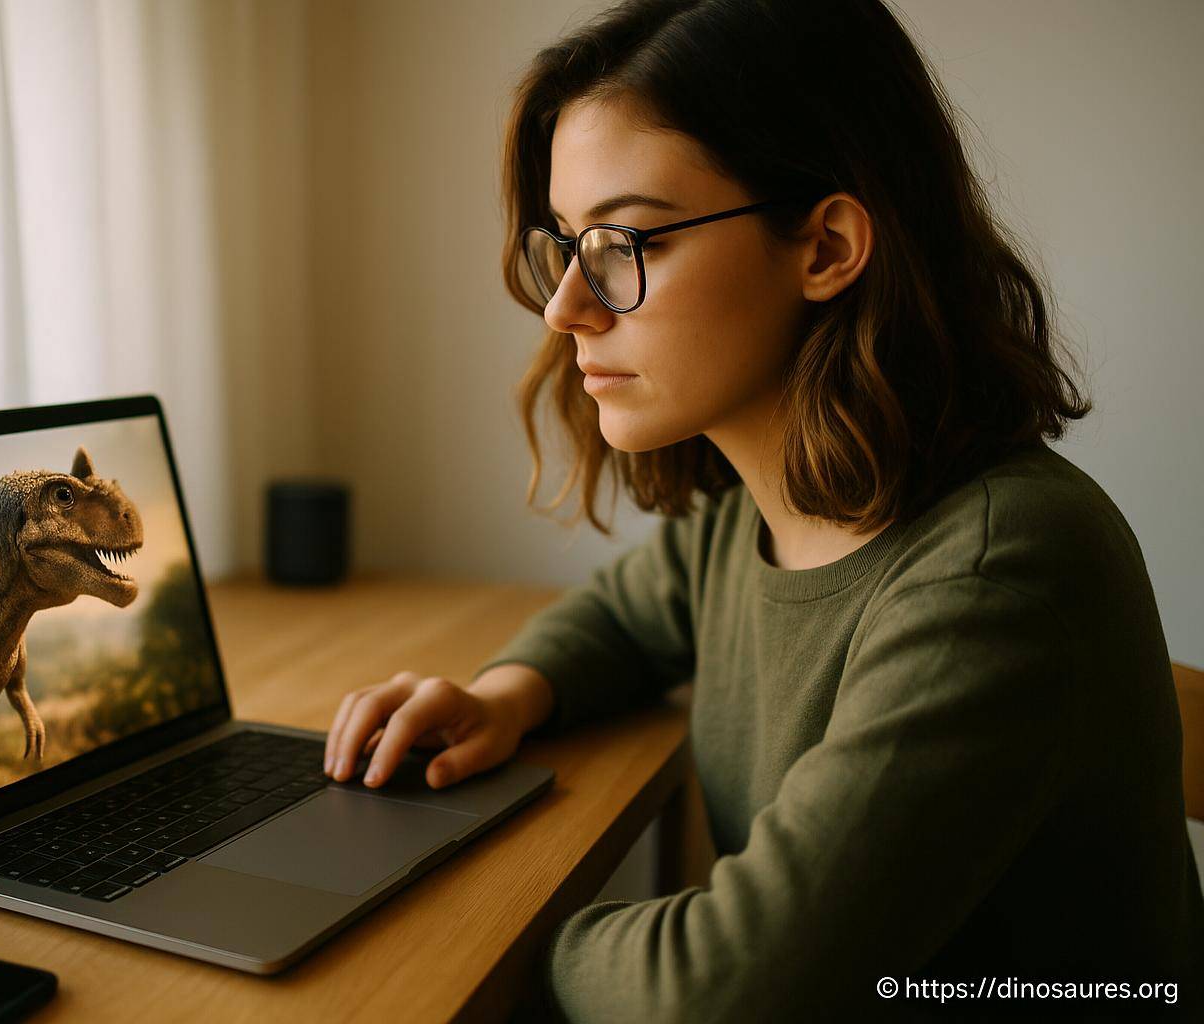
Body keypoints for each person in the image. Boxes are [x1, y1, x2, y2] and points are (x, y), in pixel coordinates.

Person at [320, 0, 1204, 1018]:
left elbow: (721, 990)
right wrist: (507, 694)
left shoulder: (1000, 569)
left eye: (624, 241)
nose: (566, 304)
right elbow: (622, 615)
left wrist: (500, 930)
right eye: (566, 243)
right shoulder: (765, 513)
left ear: (826, 246)